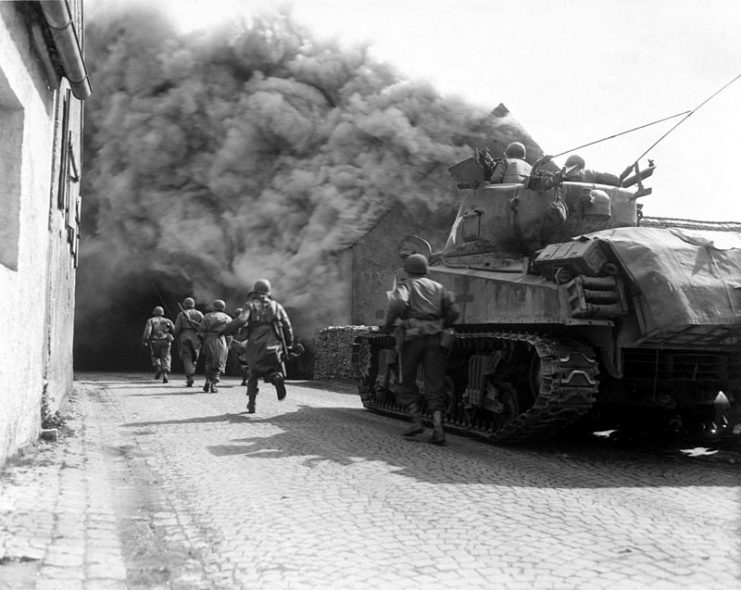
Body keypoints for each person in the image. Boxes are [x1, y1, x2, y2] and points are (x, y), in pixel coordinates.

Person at [383, 254, 460, 445]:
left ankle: (416, 421)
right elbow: (454, 312)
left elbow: (398, 303)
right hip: (435, 338)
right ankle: (438, 429)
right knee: (435, 382)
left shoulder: (407, 285)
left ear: (408, 270)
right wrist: (442, 324)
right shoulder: (439, 287)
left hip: (413, 337)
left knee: (406, 378)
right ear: (426, 269)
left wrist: (388, 325)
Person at [223, 279, 293, 414]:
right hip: (273, 343)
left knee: (253, 373)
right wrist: (288, 344)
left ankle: (251, 402)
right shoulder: (276, 306)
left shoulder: (250, 305)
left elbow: (242, 319)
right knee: (272, 369)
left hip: (255, 343)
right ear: (268, 292)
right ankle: (276, 378)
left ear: (255, 291)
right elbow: (287, 326)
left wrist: (226, 329)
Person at [198, 299, 232, 393]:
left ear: (213, 306)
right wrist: (228, 346)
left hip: (208, 340)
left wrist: (205, 337)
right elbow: (230, 333)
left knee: (208, 362)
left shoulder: (207, 316)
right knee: (219, 363)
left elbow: (200, 331)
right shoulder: (228, 318)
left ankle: (207, 381)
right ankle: (213, 385)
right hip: (221, 340)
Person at [173, 297, 204, 387]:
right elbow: (204, 326)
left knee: (187, 357)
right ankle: (192, 372)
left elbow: (177, 327)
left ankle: (189, 376)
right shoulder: (199, 313)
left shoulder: (181, 314)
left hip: (185, 335)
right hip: (196, 337)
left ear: (185, 305)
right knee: (195, 357)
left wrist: (176, 335)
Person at [141, 306, 175, 384]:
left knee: (155, 356)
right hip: (166, 341)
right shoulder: (168, 320)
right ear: (162, 313)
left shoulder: (151, 320)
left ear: (154, 313)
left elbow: (148, 330)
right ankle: (165, 375)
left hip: (155, 341)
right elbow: (174, 330)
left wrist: (145, 340)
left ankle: (158, 367)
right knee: (166, 356)